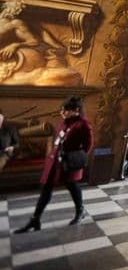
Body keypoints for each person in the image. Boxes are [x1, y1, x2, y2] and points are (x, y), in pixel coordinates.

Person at [14, 96, 93, 233]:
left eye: (66, 109)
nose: (62, 112)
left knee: (73, 186)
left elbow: (88, 146)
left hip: (70, 161)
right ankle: (35, 219)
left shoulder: (83, 124)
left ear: (76, 110)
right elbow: (58, 139)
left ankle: (80, 211)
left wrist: (74, 157)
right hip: (55, 160)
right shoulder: (63, 122)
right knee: (46, 188)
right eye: (62, 109)